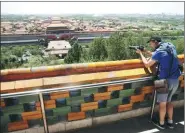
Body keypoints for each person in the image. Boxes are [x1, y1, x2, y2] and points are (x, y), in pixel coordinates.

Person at [136, 36, 181, 129]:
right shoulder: (170, 46)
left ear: (155, 42)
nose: (150, 45)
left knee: (162, 103)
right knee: (169, 101)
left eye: (151, 43)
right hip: (175, 79)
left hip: (163, 80)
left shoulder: (159, 51)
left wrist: (141, 54)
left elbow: (147, 64)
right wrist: (146, 51)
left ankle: (161, 124)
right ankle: (170, 122)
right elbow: (159, 55)